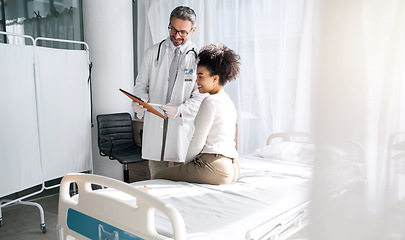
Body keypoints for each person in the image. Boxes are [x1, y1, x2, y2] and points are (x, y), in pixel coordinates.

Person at [132, 6, 206, 178]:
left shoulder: (199, 59)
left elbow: (200, 97)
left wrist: (180, 110)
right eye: (173, 29)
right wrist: (140, 101)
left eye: (183, 32)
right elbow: (141, 84)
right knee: (157, 177)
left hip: (182, 126)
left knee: (185, 179)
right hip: (155, 123)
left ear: (193, 30)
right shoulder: (153, 53)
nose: (176, 35)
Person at [153, 43, 241, 185]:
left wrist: (186, 165)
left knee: (158, 175)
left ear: (215, 79)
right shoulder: (228, 101)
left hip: (214, 166)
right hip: (233, 166)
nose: (196, 81)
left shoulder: (210, 102)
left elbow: (197, 141)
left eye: (200, 76)